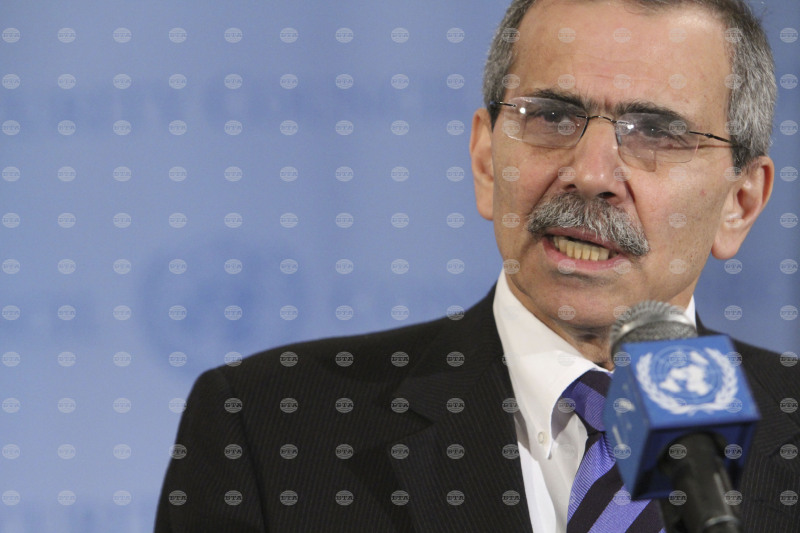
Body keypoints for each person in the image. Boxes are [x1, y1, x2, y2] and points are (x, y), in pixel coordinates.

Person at [155, 0, 800, 531]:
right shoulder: (271, 425)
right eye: (552, 117)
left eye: (655, 131)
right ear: (487, 160)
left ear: (740, 203)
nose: (590, 173)